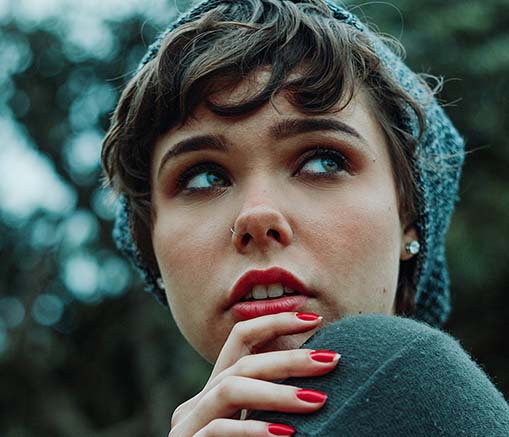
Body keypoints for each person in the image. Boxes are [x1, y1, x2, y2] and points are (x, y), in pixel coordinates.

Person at [101, 0, 509, 435]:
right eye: (203, 177)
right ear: (150, 245)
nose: (257, 216)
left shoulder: (418, 376)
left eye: (323, 162)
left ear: (410, 214)